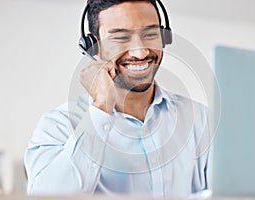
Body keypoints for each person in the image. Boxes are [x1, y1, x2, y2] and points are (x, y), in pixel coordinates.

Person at [24, 0, 210, 197]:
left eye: (150, 35)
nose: (140, 52)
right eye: (121, 38)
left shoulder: (201, 120)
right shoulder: (58, 126)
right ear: (93, 47)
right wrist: (101, 107)